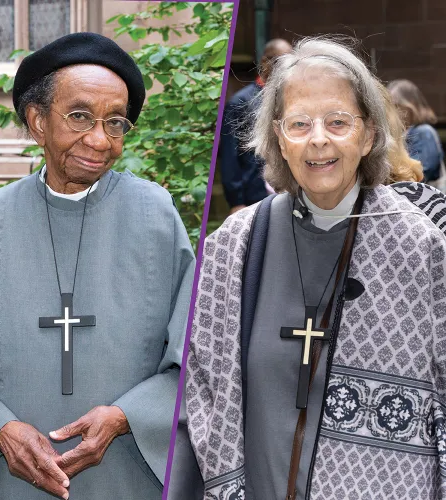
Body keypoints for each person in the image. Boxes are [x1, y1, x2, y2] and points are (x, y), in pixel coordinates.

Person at [181, 37, 446, 500]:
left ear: (367, 135)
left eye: (338, 122)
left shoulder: (421, 247)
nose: (318, 138)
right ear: (278, 139)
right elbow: (200, 394)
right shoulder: (233, 247)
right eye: (299, 123)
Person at [0, 32, 195, 500]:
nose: (100, 140)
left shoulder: (156, 216)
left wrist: (127, 416)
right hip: (12, 480)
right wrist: (0, 429)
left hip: (128, 476)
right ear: (38, 121)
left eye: (116, 122)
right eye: (80, 116)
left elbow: (193, 358)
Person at [220, 39, 292, 214]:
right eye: (279, 61)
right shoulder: (240, 102)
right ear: (264, 62)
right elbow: (229, 156)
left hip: (290, 194)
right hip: (254, 197)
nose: (285, 67)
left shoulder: (292, 98)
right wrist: (236, 201)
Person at [388, 79, 445, 186]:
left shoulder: (424, 131)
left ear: (411, 104)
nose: (393, 112)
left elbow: (423, 171)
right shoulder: (406, 133)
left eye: (396, 105)